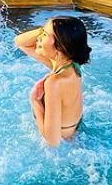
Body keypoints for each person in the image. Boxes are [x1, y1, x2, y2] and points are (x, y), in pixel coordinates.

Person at [14, 16, 92, 146]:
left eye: (44, 35)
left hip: (66, 148)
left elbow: (52, 142)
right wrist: (45, 29)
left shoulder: (54, 82)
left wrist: (35, 101)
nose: (38, 38)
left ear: (60, 48)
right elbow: (20, 42)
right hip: (77, 136)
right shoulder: (71, 65)